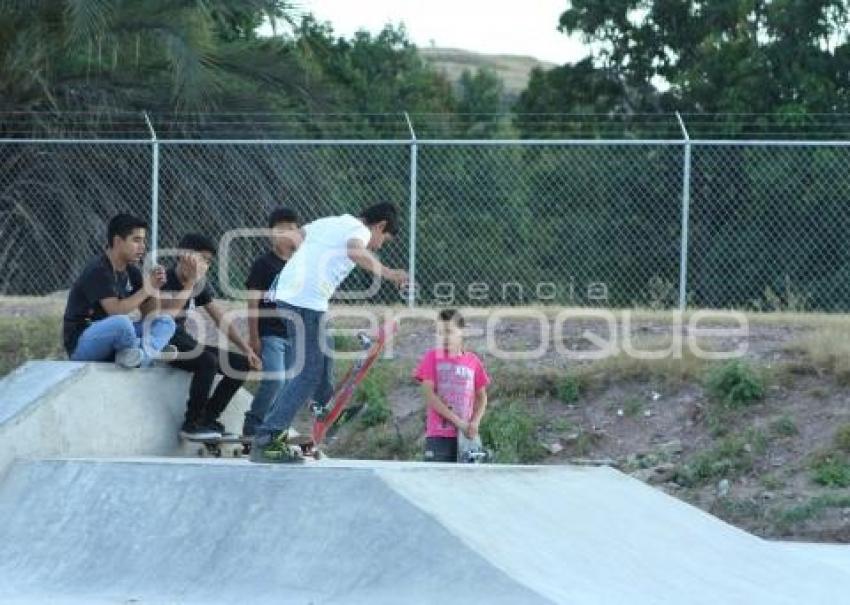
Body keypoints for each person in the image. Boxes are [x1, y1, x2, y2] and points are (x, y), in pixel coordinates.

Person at [250, 202, 408, 462]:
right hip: (305, 300)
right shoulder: (360, 230)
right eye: (384, 239)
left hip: (295, 296)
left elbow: (296, 237)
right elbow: (355, 250)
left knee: (325, 348)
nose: (378, 246)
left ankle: (323, 407)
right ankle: (268, 438)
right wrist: (389, 273)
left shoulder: (329, 221)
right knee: (308, 372)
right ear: (380, 226)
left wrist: (308, 261)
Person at [159, 233, 262, 440]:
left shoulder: (198, 285)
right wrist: (189, 284)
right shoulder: (164, 279)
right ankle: (191, 424)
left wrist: (246, 349)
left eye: (208, 261)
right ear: (184, 256)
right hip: (163, 341)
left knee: (240, 364)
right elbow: (166, 318)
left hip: (183, 339)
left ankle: (208, 418)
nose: (204, 265)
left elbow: (220, 319)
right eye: (201, 259)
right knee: (207, 361)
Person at [63, 213, 176, 368]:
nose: (142, 246)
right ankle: (148, 352)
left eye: (143, 241)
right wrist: (147, 287)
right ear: (117, 241)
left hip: (117, 339)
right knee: (122, 323)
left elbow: (151, 315)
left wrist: (154, 288)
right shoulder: (98, 270)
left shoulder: (132, 271)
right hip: (82, 342)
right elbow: (115, 311)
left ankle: (140, 354)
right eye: (136, 240)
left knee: (165, 321)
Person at [242, 207, 300, 438]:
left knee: (288, 386)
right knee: (275, 380)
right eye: (281, 230)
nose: (287, 234)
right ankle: (253, 424)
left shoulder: (299, 265)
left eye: (292, 229)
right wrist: (254, 337)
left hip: (292, 334)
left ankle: (273, 428)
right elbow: (253, 303)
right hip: (270, 334)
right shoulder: (263, 265)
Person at [413, 309, 490, 462]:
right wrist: (459, 423)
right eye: (440, 333)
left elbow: (482, 397)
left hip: (466, 436)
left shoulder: (473, 361)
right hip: (439, 435)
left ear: (462, 331)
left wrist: (474, 422)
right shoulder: (432, 357)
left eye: (449, 331)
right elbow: (430, 395)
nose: (444, 337)